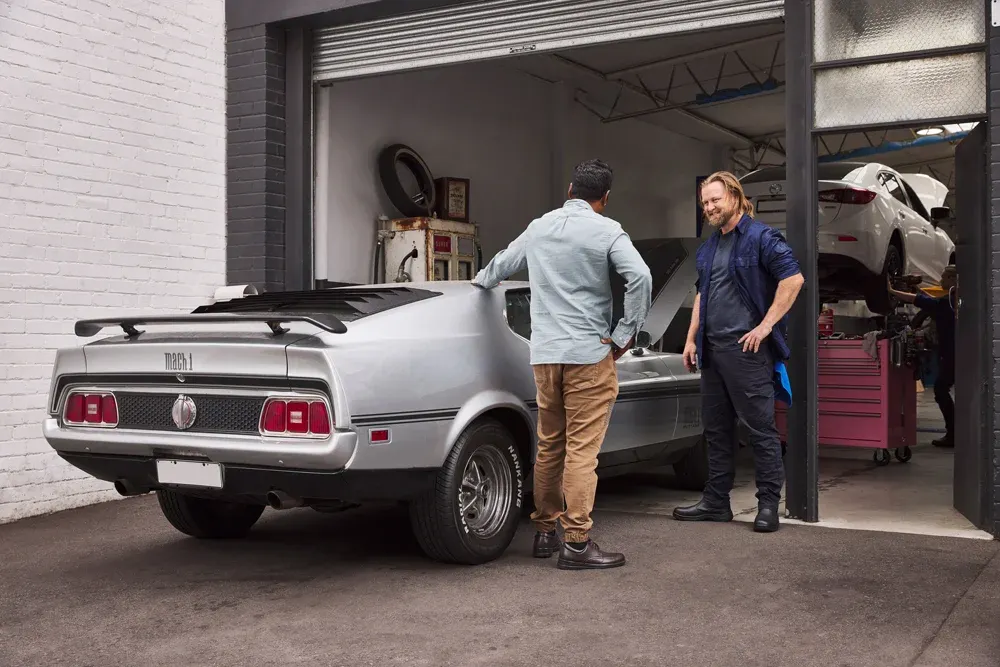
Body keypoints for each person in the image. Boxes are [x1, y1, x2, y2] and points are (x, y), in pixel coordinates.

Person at [472, 159, 652, 570]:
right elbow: (640, 277)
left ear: (570, 189)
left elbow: (497, 268)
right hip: (588, 355)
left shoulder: (539, 227)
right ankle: (576, 542)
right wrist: (624, 335)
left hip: (546, 356)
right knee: (582, 452)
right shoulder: (607, 230)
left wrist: (477, 283)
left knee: (550, 445)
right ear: (604, 198)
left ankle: (543, 532)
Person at [672, 171, 804, 533]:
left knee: (760, 430)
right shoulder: (709, 247)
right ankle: (716, 502)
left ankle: (768, 506)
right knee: (716, 431)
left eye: (714, 200)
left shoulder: (762, 238)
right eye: (704, 203)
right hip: (712, 352)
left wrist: (765, 327)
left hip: (747, 352)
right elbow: (703, 293)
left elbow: (793, 280)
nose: (709, 207)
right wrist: (691, 338)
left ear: (733, 195)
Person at [887, 265, 957, 447]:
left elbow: (918, 300)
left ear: (953, 280)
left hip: (952, 355)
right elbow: (928, 301)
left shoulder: (946, 303)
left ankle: (954, 433)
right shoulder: (954, 300)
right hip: (961, 354)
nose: (941, 279)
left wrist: (891, 290)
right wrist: (916, 290)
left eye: (944, 277)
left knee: (941, 390)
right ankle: (959, 432)